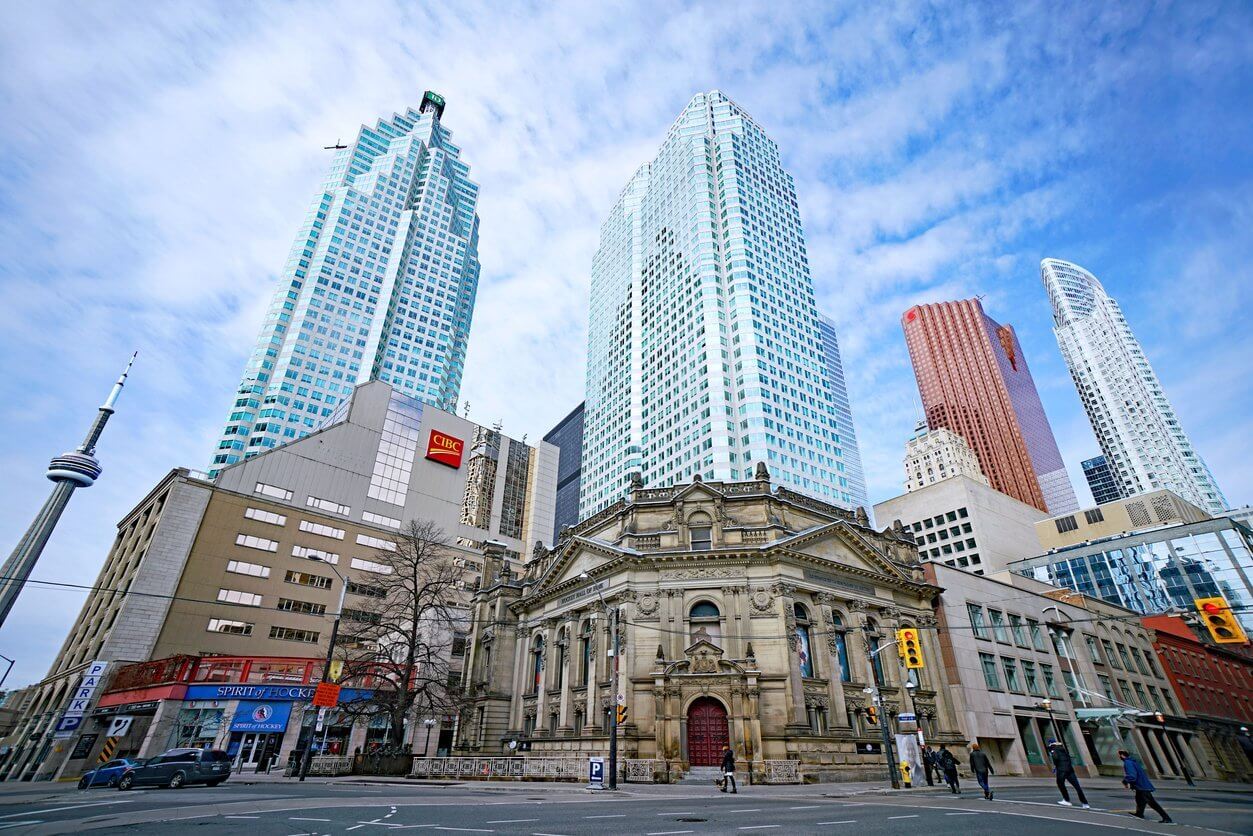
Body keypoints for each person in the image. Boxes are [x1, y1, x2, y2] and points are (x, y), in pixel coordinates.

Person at [1119, 749, 1172, 823]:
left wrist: (1125, 781)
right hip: (1141, 786)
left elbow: (1132, 775)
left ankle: (1166, 818)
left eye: (1119, 755)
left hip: (1142, 786)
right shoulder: (1132, 761)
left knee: (1152, 803)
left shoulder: (1128, 763)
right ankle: (1139, 813)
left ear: (1122, 755)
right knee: (1139, 800)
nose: (1119, 757)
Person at [1048, 740, 1090, 808]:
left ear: (1051, 744)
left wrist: (1056, 765)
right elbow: (1068, 759)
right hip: (1069, 769)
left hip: (1061, 770)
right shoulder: (1062, 749)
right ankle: (1085, 803)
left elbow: (1056, 758)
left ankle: (1066, 800)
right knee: (1077, 786)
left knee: (1060, 784)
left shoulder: (1053, 749)